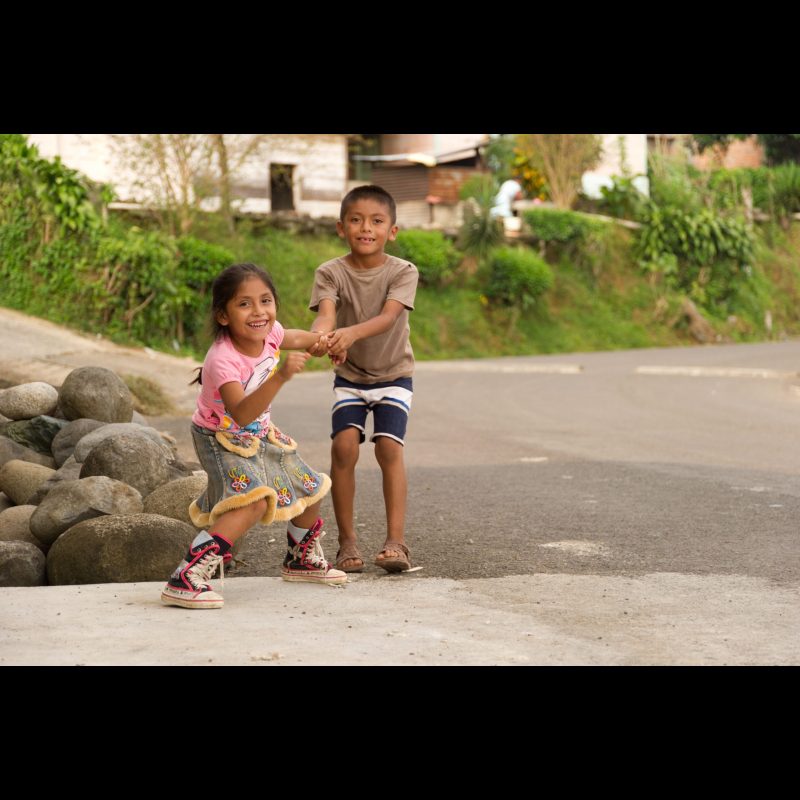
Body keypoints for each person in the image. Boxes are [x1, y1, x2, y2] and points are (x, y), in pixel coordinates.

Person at [161, 263, 346, 610]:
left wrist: (323, 342)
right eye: (244, 304)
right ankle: (185, 576)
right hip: (219, 437)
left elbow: (292, 337)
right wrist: (281, 377)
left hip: (257, 433)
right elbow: (240, 413)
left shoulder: (269, 333)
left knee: (311, 485)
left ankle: (300, 559)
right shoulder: (222, 360)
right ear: (223, 316)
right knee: (254, 501)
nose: (259, 312)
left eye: (265, 301)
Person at [308, 185, 418, 574]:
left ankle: (396, 542)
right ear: (341, 227)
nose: (365, 228)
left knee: (388, 448)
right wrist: (323, 337)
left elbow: (388, 318)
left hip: (393, 376)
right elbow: (326, 314)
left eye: (376, 221)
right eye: (356, 220)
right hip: (351, 378)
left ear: (392, 230)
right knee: (344, 447)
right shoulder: (330, 272)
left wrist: (350, 334)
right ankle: (346, 543)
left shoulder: (402, 271)